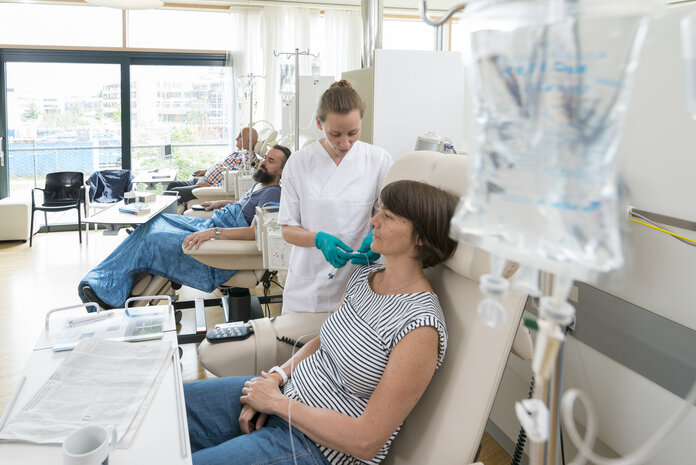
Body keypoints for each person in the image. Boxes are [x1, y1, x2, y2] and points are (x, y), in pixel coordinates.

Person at [184, 180, 460, 465]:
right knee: (172, 406)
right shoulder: (365, 276)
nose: (373, 220)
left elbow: (366, 441)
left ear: (421, 238)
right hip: (284, 395)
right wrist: (277, 378)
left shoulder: (420, 325)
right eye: (380, 210)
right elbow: (322, 342)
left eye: (388, 216)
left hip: (314, 446)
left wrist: (278, 405)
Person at [78, 145, 291, 309]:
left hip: (220, 240)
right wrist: (222, 203)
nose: (263, 162)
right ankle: (115, 280)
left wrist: (212, 233)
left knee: (151, 238)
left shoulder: (274, 194)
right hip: (213, 223)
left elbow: (254, 232)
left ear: (282, 170)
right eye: (265, 158)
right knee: (152, 221)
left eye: (270, 161)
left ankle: (107, 293)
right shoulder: (260, 183)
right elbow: (245, 206)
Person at [279, 80, 393, 314]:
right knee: (298, 345)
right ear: (319, 124)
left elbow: (388, 214)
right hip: (308, 286)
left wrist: (375, 237)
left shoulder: (378, 160)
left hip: (360, 282)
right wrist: (319, 239)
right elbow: (288, 229)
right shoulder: (299, 163)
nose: (345, 143)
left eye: (353, 133)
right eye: (335, 134)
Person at [166, 128, 259, 204]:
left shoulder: (248, 161)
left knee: (170, 193)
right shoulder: (239, 154)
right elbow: (222, 166)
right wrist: (206, 171)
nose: (236, 138)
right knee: (171, 184)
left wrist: (211, 186)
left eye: (240, 136)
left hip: (205, 187)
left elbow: (236, 183)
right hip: (202, 180)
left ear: (248, 141)